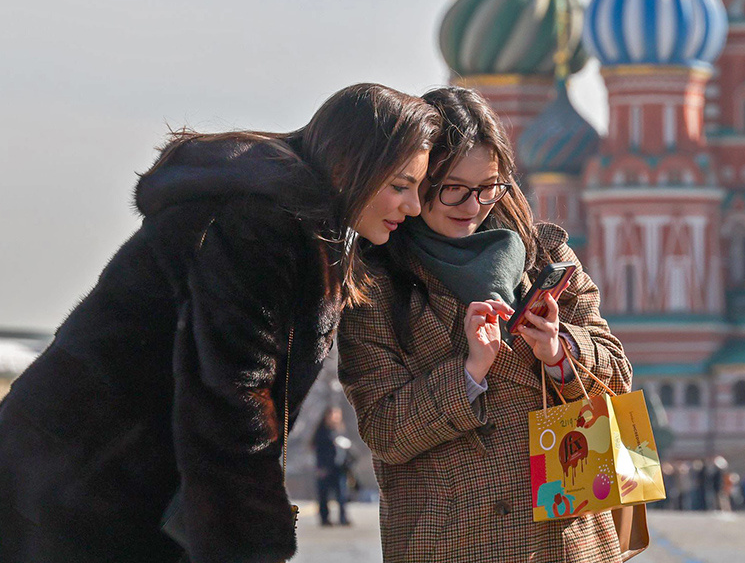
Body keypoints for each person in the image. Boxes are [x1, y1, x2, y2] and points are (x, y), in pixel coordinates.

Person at [0, 83, 439, 563]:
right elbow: (231, 395)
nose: (413, 206)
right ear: (347, 168)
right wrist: (251, 546)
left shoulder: (293, 221)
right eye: (400, 186)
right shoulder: (261, 224)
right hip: (79, 482)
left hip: (93, 476)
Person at [338, 86, 633, 563]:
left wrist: (559, 351)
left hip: (568, 538)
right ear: (419, 178)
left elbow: (618, 376)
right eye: (453, 188)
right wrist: (470, 372)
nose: (473, 206)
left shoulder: (545, 256)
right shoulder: (374, 284)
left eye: (488, 187)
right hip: (452, 543)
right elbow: (384, 429)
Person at [312, 406, 355, 527]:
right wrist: (320, 467)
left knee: (342, 494)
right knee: (324, 495)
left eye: (338, 415)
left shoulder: (340, 431)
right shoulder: (322, 432)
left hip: (339, 468)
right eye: (334, 415)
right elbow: (319, 452)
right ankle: (324, 518)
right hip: (326, 468)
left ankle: (343, 518)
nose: (336, 418)